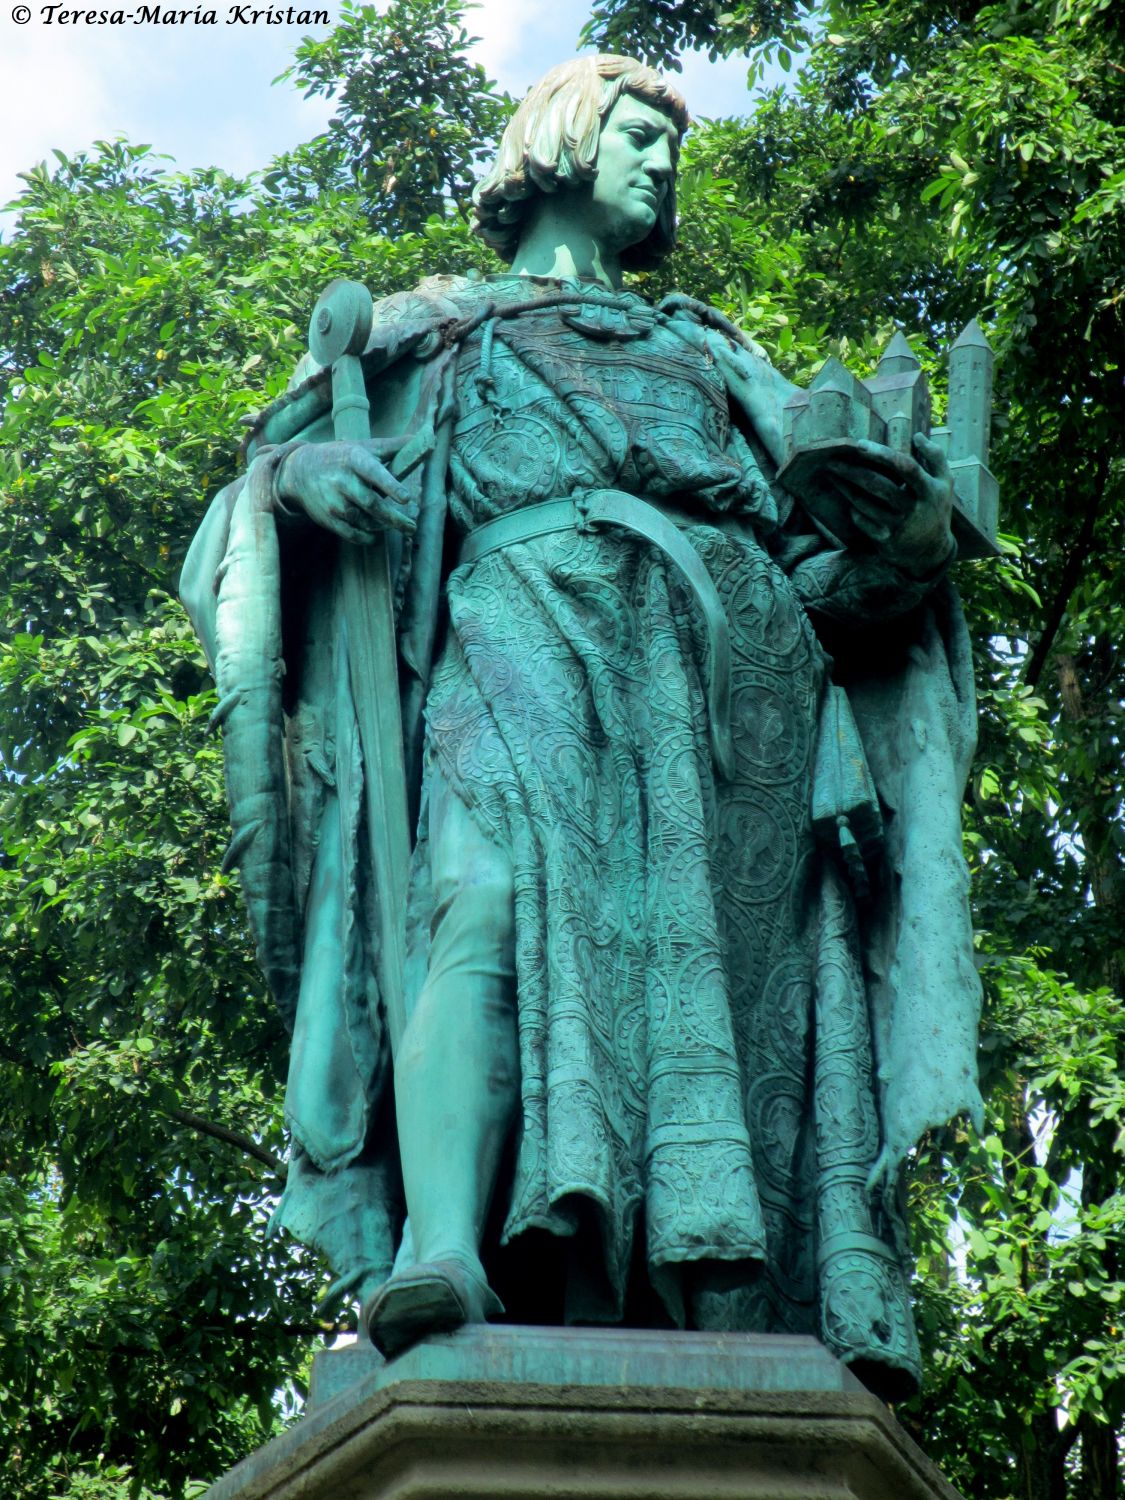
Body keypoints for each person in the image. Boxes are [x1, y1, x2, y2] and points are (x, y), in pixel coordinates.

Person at [180, 55, 983, 1398]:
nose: (661, 164)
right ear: (557, 137)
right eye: (634, 133)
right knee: (478, 909)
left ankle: (725, 1292)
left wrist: (902, 546)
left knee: (751, 1005)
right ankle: (440, 1246)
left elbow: (828, 584)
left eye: (670, 147)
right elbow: (245, 509)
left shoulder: (711, 353)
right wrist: (297, 475)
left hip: (739, 710)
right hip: (525, 634)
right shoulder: (427, 329)